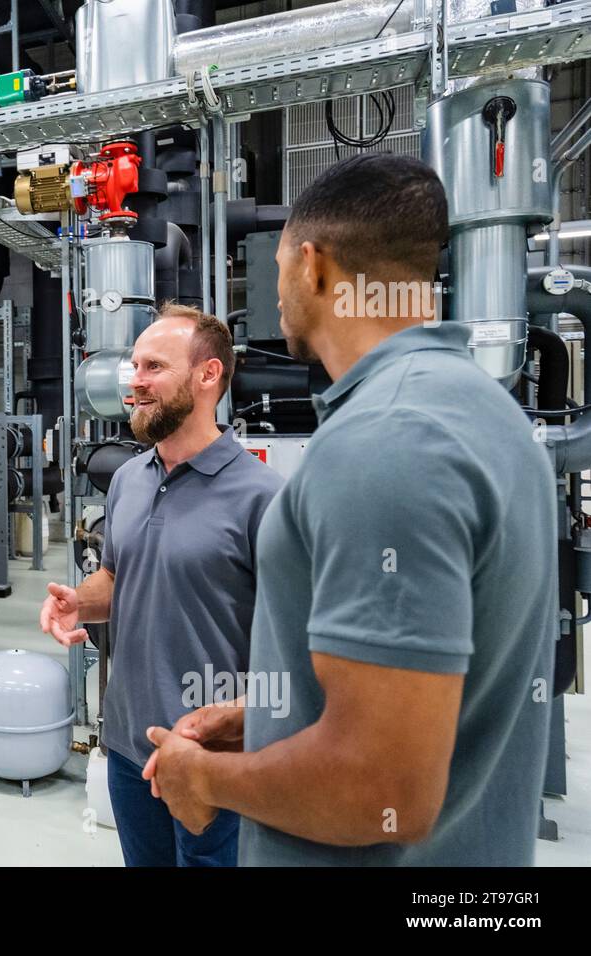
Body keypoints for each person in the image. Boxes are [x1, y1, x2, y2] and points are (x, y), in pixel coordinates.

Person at [143, 152, 557, 865]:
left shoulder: (381, 441)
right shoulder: (487, 412)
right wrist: (274, 718)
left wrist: (203, 778)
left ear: (316, 267)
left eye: (276, 270)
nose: (275, 293)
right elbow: (427, 696)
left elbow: (380, 786)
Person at [40, 305, 281, 866]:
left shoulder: (263, 498)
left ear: (208, 375)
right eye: (134, 366)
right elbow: (117, 578)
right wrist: (79, 602)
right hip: (127, 745)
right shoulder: (128, 478)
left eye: (153, 367)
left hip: (211, 759)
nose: (135, 381)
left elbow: (297, 648)